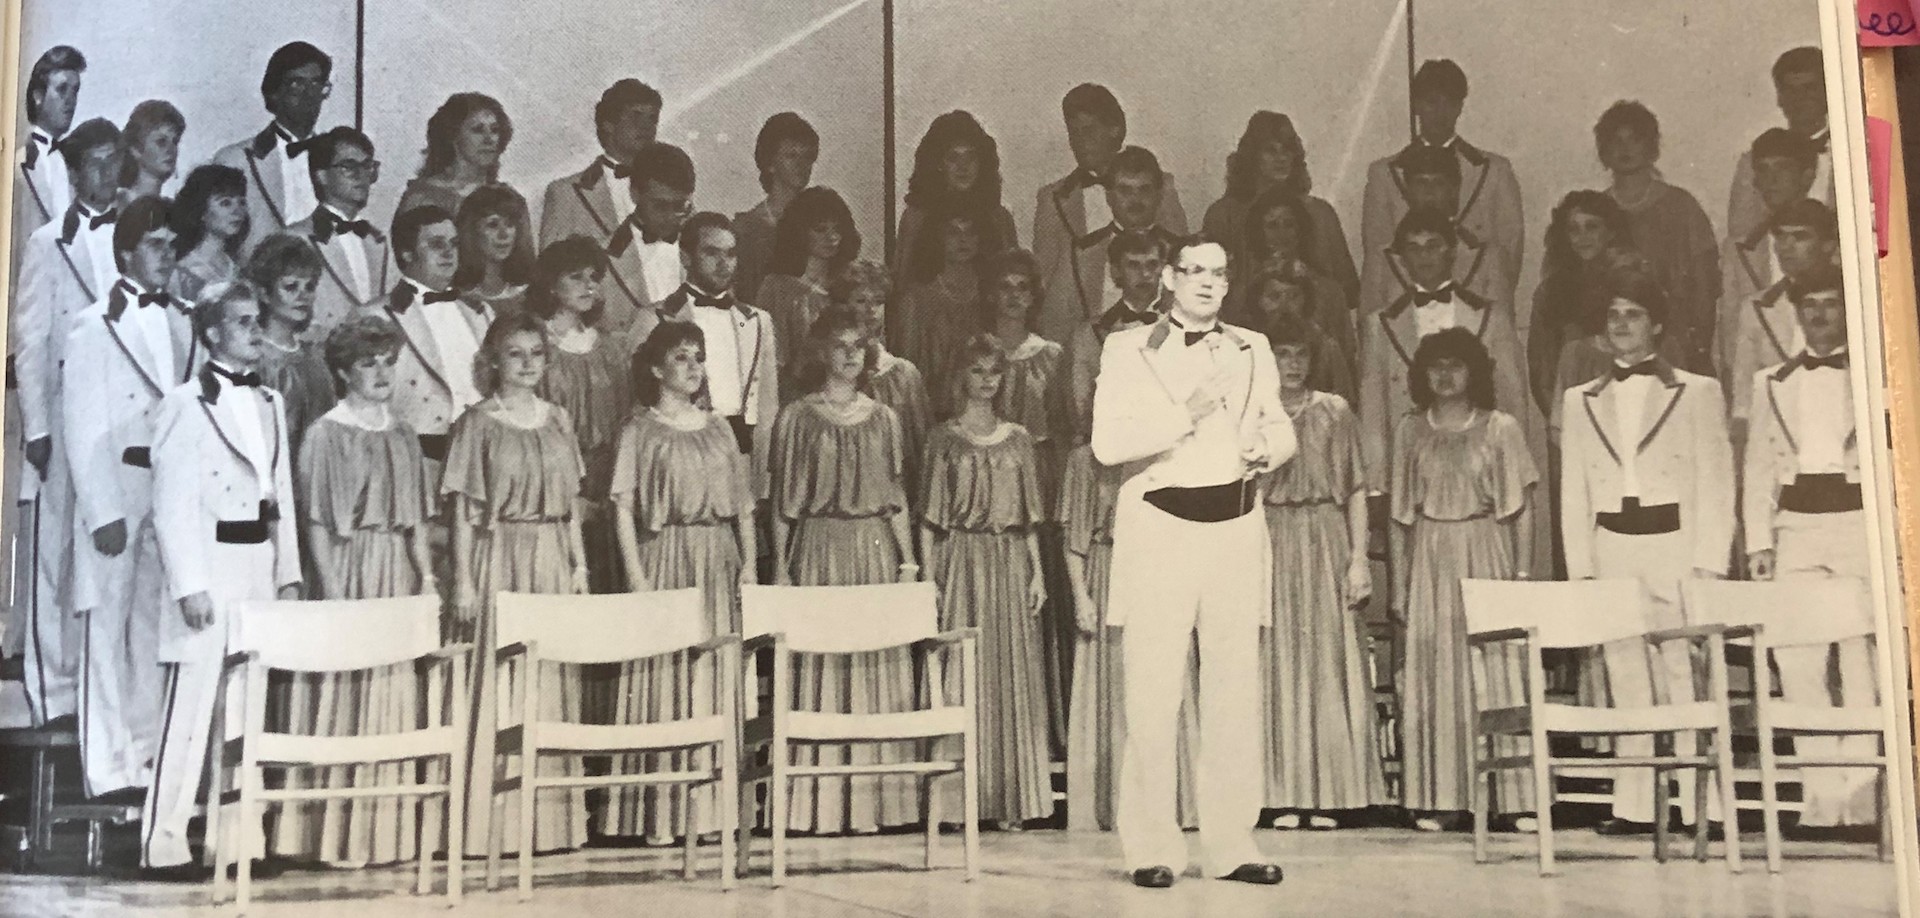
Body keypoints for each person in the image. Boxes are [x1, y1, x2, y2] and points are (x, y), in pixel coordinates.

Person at [1090, 234, 1292, 888]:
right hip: (1163, 530)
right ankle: (1151, 845)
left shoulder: (1252, 346)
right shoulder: (1127, 348)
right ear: (1170, 279)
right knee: (1153, 691)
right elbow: (1107, 444)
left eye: (1219, 272)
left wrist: (1271, 447)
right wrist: (1185, 413)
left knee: (1234, 691)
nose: (1207, 282)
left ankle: (1232, 844)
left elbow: (1280, 423)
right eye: (1195, 271)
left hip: (1235, 526)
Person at [1559, 276, 1733, 836]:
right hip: (1613, 545)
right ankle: (1634, 805)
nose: (1621, 324)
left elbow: (1716, 481)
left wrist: (1709, 561)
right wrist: (1582, 570)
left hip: (1674, 545)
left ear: (1656, 324)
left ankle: (1699, 804)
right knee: (1624, 675)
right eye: (1613, 314)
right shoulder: (1580, 398)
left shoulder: (1697, 391)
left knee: (1683, 672)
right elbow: (1574, 493)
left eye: (1633, 314)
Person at [141, 282, 302, 879]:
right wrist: (188, 585)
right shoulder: (185, 404)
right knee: (190, 709)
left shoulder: (271, 403)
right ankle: (164, 844)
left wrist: (288, 574)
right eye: (242, 322)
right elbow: (171, 503)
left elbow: (280, 494)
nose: (256, 331)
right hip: (208, 567)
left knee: (247, 704)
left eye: (258, 320)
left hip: (256, 564)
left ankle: (240, 842)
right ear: (211, 333)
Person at [60, 196, 200, 803]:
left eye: (173, 246)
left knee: (151, 625)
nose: (166, 258)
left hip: (166, 493)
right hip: (117, 489)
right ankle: (107, 765)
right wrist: (101, 511)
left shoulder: (185, 320)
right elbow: (81, 422)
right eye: (155, 246)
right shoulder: (94, 325)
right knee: (106, 626)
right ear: (125, 253)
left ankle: (144, 754)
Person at [444, 313, 591, 857]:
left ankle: (551, 828)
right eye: (516, 354)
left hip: (551, 555)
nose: (528, 364)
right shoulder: (477, 422)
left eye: (536, 354)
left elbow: (572, 503)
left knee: (547, 679)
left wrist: (579, 566)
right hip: (499, 555)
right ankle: (490, 828)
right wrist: (462, 580)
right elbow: (462, 509)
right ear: (493, 362)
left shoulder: (559, 419)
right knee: (499, 678)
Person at [292, 313, 437, 867]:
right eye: (367, 364)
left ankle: (390, 836)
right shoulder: (324, 434)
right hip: (351, 571)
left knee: (394, 693)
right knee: (349, 690)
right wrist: (333, 597)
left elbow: (417, 519)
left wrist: (425, 576)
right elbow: (317, 524)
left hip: (397, 571)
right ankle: (335, 838)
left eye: (387, 362)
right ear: (344, 372)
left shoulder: (402, 432)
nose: (380, 373)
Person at [769, 308, 919, 835]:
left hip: (873, 549)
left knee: (874, 666)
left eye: (859, 344)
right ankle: (820, 807)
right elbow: (784, 502)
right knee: (824, 666)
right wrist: (782, 568)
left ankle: (881, 808)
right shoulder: (797, 416)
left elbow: (895, 495)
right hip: (818, 548)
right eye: (840, 344)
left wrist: (908, 560)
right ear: (821, 352)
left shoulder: (885, 418)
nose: (851, 354)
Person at [604, 321, 755, 841]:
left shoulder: (719, 427)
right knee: (665, 676)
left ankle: (716, 814)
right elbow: (623, 507)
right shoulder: (638, 429)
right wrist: (637, 576)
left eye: (699, 357)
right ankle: (660, 816)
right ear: (656, 369)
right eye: (682, 358)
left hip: (717, 557)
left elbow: (744, 509)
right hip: (665, 555)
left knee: (714, 676)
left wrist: (750, 566)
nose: (694, 368)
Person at [1741, 263, 1878, 832]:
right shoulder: (1770, 380)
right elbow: (1755, 469)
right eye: (1809, 304)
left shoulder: (1872, 370)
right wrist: (1757, 541)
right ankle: (1821, 799)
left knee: (1860, 660)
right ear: (1795, 312)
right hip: (1795, 526)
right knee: (1797, 661)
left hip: (1857, 525)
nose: (1820, 314)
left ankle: (1864, 798)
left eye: (1830, 302)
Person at [1388, 328, 1538, 834]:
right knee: (1437, 677)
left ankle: (1514, 801)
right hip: (1431, 556)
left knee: (1495, 672)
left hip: (1485, 549)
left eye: (1456, 364)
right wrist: (1401, 585)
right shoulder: (1410, 430)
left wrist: (1520, 575)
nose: (1446, 375)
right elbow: (1399, 516)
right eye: (1436, 366)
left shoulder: (1501, 428)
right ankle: (1441, 798)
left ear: (1474, 371)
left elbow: (1521, 510)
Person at [11, 116, 122, 729]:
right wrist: (37, 430)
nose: (107, 175)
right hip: (61, 414)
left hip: (116, 423)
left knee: (106, 553)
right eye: (96, 164)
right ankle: (51, 699)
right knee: (54, 556)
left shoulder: (140, 234)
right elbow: (28, 340)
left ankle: (99, 701)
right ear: (75, 173)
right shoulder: (47, 241)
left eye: (115, 162)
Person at [919, 334, 1052, 829]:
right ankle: (957, 804)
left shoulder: (1018, 438)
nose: (986, 379)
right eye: (977, 370)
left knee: (1009, 673)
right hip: (960, 559)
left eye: (994, 370)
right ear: (961, 376)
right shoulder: (942, 439)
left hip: (1010, 559)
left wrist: (1037, 572)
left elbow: (1030, 517)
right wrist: (928, 578)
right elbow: (929, 519)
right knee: (961, 672)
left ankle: (1010, 803)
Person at [1262, 318, 1382, 829]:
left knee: (1329, 662)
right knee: (1276, 662)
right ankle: (1281, 793)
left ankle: (1330, 793)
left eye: (1299, 354)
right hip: (1269, 538)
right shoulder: (1251, 413)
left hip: (1326, 536)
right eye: (1281, 354)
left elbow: (1356, 489)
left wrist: (1359, 558)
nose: (1291, 364)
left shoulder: (1335, 411)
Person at [1357, 211, 1530, 497]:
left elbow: (1512, 397)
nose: (1424, 256)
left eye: (1433, 245)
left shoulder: (1490, 316)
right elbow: (1373, 411)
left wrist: (1510, 472)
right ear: (1401, 258)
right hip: (1411, 464)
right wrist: (1376, 487)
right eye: (1413, 248)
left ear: (1451, 251)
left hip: (1478, 460)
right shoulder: (1380, 324)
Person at [1360, 59, 1524, 306]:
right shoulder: (1384, 174)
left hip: (1477, 299)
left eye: (1450, 103)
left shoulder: (1494, 170)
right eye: (1431, 102)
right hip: (1406, 304)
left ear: (1460, 107)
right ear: (1416, 106)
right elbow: (1379, 253)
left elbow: (1510, 249)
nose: (1440, 113)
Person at [643, 214, 782, 498]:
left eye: (731, 254)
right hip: (682, 453)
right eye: (711, 252)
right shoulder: (655, 318)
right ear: (686, 257)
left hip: (742, 456)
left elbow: (768, 405)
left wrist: (766, 478)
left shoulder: (757, 320)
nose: (724, 263)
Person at [1033, 83, 1187, 319]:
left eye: (1088, 131)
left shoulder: (1159, 186)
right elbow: (1044, 280)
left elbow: (1178, 254)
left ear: (1115, 129)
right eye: (1073, 133)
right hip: (1085, 328)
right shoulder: (1052, 199)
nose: (1078, 142)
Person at [529, 237, 630, 592]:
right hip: (558, 478)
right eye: (576, 277)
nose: (589, 285)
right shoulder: (535, 346)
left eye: (593, 276)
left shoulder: (611, 346)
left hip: (608, 477)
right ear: (551, 285)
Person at [1596, 101, 1721, 374]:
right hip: (1615, 341)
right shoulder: (1594, 212)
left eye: (1635, 139)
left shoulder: (1682, 205)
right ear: (1603, 152)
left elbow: (1705, 283)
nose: (1625, 148)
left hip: (1675, 341)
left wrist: (1699, 343)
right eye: (1615, 140)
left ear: (1652, 148)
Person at [364, 205, 484, 469]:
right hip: (418, 460)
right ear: (407, 253)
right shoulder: (376, 317)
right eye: (436, 244)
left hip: (483, 456)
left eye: (454, 243)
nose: (448, 253)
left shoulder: (480, 312)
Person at [1203, 111, 1358, 304]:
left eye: (1287, 150)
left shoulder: (1320, 213)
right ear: (1252, 156)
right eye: (1271, 150)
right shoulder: (1223, 215)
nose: (1281, 158)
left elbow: (1349, 290)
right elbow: (1209, 289)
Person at [1039, 145, 1181, 347]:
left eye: (1144, 190)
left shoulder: (1183, 253)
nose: (1135, 200)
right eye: (1125, 190)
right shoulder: (1081, 255)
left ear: (1159, 195)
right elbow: (1058, 326)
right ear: (1109, 196)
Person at [1360, 144, 1512, 324]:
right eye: (1420, 183)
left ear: (1454, 191)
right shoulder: (1382, 259)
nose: (1429, 192)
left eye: (1438, 183)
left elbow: (1500, 327)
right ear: (1407, 191)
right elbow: (1371, 329)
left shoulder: (1488, 257)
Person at [1729, 199, 1838, 444]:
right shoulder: (1757, 307)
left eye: (1800, 237)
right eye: (1780, 236)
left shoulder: (1851, 297)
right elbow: (1744, 387)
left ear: (1828, 245)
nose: (1785, 247)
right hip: (1779, 433)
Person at [1718, 130, 1820, 394]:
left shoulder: (1833, 239)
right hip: (1766, 389)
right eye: (1763, 171)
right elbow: (1730, 333)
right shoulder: (1740, 249)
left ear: (1807, 176)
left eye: (1782, 169)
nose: (1771, 180)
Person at [212, 41, 331, 248]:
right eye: (297, 83)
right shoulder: (234, 160)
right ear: (274, 92)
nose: (309, 94)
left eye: (316, 84)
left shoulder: (336, 160)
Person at [1528, 191, 1634, 414]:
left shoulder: (1635, 286)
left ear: (1611, 231)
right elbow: (1541, 371)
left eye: (1592, 227)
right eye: (1573, 229)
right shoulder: (1549, 292)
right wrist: (1562, 422)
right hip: (1572, 413)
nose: (1583, 237)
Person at [837, 259, 930, 508]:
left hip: (894, 499)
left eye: (878, 301)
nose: (871, 310)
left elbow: (920, 449)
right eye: (861, 301)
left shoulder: (903, 374)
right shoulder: (830, 375)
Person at [893, 110, 1020, 292]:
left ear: (981, 162)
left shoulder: (999, 218)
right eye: (953, 158)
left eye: (971, 157)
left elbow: (1015, 283)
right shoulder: (916, 217)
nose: (963, 167)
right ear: (939, 164)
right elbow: (901, 287)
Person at [286, 127, 389, 344]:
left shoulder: (379, 241)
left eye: (367, 166)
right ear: (321, 176)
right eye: (348, 167)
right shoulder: (296, 240)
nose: (361, 176)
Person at [758, 186, 861, 396]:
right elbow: (772, 363)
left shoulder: (851, 283)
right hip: (798, 397)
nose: (832, 237)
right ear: (800, 233)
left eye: (837, 229)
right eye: (821, 229)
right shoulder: (777, 288)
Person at [244, 234, 336, 463]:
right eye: (291, 286)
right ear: (264, 294)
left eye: (309, 287)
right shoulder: (254, 359)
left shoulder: (315, 357)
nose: (302, 296)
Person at [1066, 228, 1170, 430]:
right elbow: (1081, 406)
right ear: (1116, 272)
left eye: (1152, 265)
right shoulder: (1089, 334)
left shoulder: (1178, 329)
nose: (1145, 274)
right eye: (1133, 265)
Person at [1237, 188, 1356, 364]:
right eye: (1272, 225)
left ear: (1301, 230)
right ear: (1258, 231)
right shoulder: (1242, 292)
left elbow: (1344, 355)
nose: (1281, 233)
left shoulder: (1330, 291)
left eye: (1289, 224)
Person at [539, 79, 661, 250]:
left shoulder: (672, 187)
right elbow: (550, 268)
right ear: (608, 124)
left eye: (653, 118)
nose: (647, 127)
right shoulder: (565, 193)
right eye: (636, 116)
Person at [1727, 47, 1832, 242]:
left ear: (1828, 94)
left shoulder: (1855, 154)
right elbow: (1740, 234)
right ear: (1779, 98)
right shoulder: (1752, 162)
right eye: (1790, 91)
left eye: (1809, 89)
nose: (1799, 100)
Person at [602, 142, 695, 333]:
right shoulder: (600, 259)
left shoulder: (706, 247)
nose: (670, 217)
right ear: (634, 194)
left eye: (679, 207)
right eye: (660, 206)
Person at [896, 209, 985, 392]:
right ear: (937, 238)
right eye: (953, 232)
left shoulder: (991, 292)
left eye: (970, 232)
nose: (963, 240)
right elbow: (906, 367)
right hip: (932, 404)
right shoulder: (917, 297)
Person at [735, 112, 818, 304]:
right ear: (770, 163)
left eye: (808, 157)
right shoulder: (747, 229)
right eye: (791, 155)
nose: (801, 165)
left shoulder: (823, 223)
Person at [399, 93, 523, 220]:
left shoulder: (509, 199)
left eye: (495, 130)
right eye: (478, 130)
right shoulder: (422, 197)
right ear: (453, 135)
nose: (489, 139)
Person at [1246, 265, 1355, 407]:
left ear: (1306, 300)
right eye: (1274, 297)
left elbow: (1344, 405)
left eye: (1293, 297)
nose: (1284, 305)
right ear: (1258, 300)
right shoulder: (1242, 346)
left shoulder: (1326, 347)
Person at [13, 46, 85, 246]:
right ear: (38, 96)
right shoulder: (16, 167)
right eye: (62, 89)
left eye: (75, 90)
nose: (71, 99)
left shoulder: (76, 163)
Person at [168, 165, 250, 303]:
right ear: (201, 211)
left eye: (241, 202)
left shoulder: (236, 264)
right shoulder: (187, 272)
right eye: (225, 203)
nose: (238, 211)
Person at [453, 184, 536, 319]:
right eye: (493, 224)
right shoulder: (458, 299)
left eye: (510, 224)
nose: (504, 235)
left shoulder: (530, 293)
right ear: (472, 231)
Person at [115, 100, 185, 206]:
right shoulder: (115, 206)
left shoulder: (173, 211)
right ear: (135, 149)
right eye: (161, 142)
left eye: (175, 142)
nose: (171, 149)